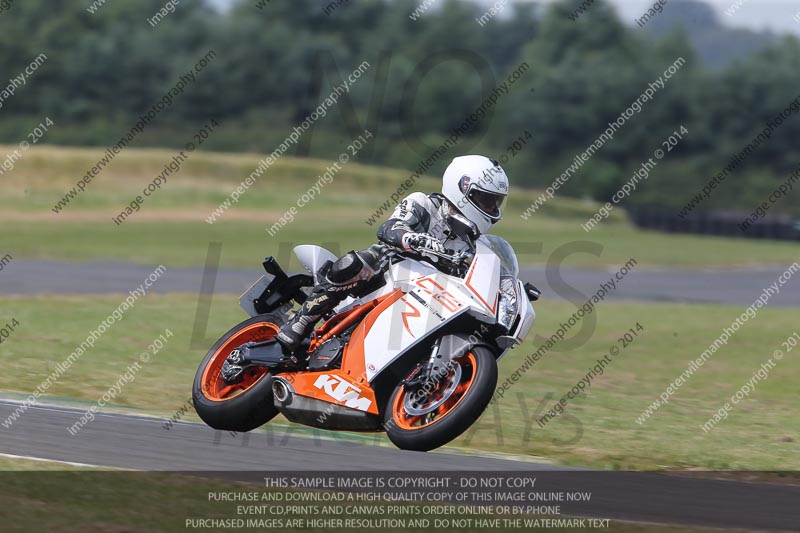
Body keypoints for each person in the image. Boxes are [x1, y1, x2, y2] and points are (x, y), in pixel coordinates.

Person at [275, 154, 509, 355]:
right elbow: (389, 228)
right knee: (358, 263)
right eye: (485, 199)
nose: (491, 208)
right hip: (387, 272)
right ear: (462, 189)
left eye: (495, 202)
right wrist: (412, 238)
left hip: (431, 297)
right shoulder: (423, 204)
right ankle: (302, 320)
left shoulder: (475, 243)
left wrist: (508, 285)